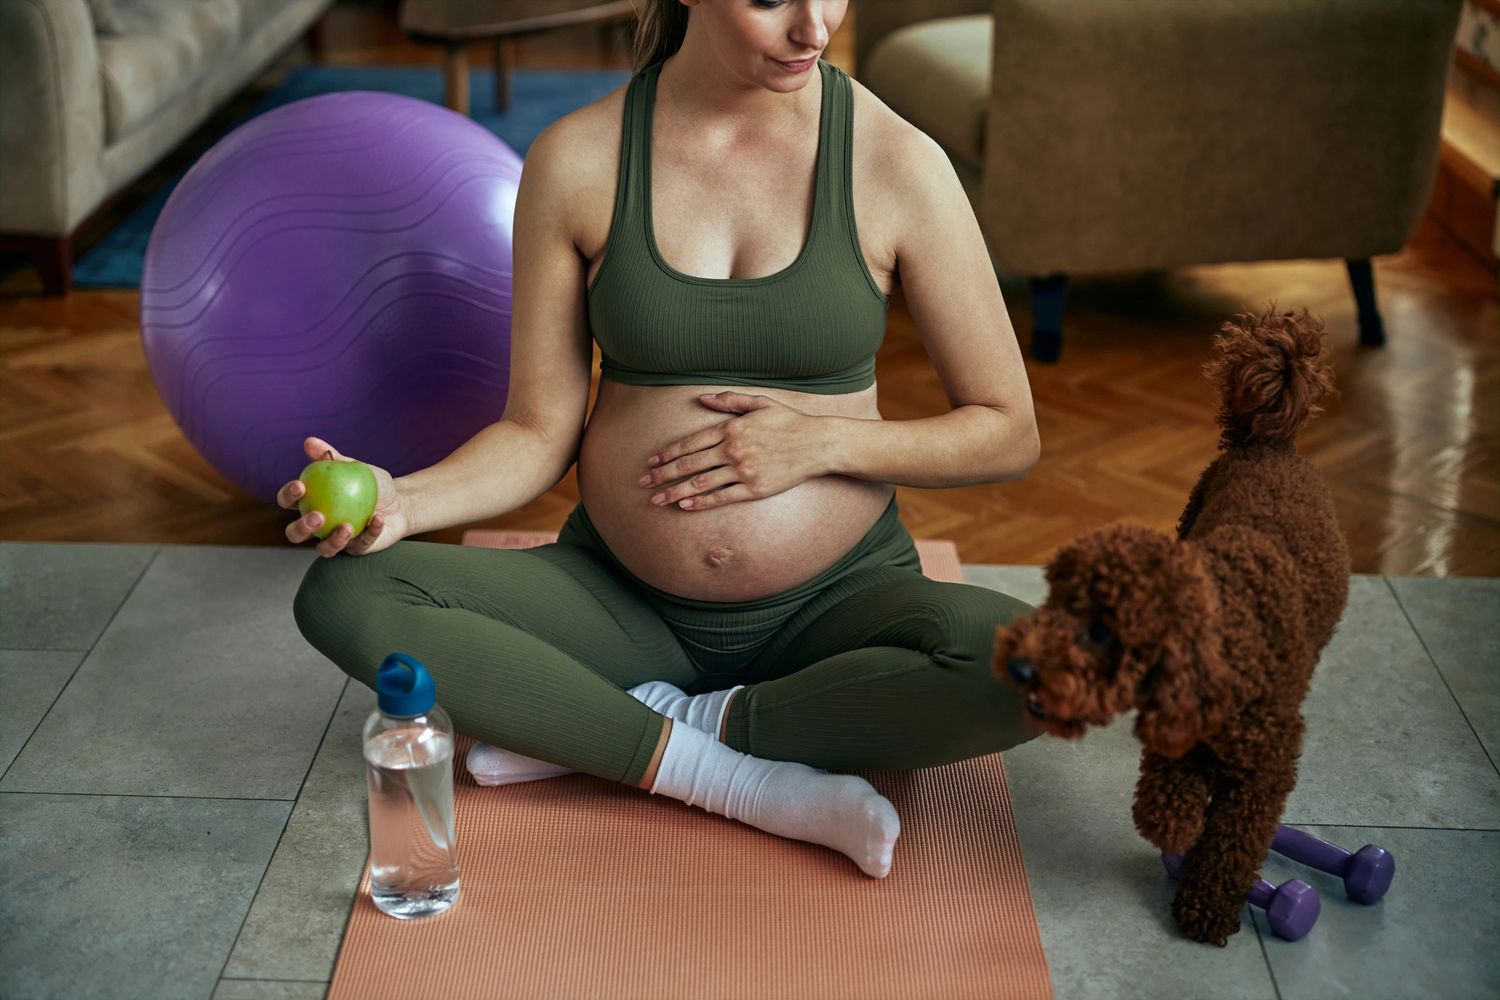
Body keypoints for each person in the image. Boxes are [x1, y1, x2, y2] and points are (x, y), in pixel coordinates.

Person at [288, 0, 1040, 880]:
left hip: (837, 604)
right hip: (618, 599)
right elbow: (537, 432)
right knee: (345, 594)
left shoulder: (896, 161)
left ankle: (623, 728)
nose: (814, 28)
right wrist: (402, 499)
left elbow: (1007, 430)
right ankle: (738, 780)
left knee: (1026, 667)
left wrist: (823, 444)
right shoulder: (580, 158)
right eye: (770, 0)